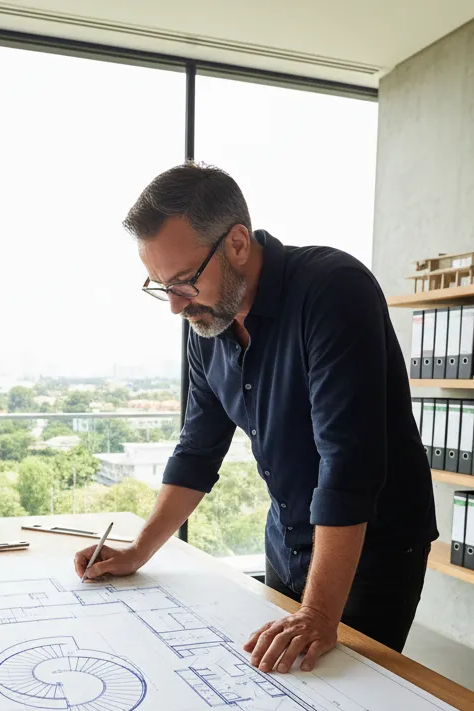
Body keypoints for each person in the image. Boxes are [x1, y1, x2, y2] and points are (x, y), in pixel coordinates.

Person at [74, 162, 437, 674]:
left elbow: (349, 465)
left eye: (183, 282)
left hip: (369, 549)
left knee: (347, 703)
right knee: (283, 685)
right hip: (287, 534)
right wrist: (137, 551)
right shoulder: (209, 320)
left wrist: (316, 612)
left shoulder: (334, 290)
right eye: (160, 286)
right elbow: (197, 449)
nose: (175, 307)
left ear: (238, 244)